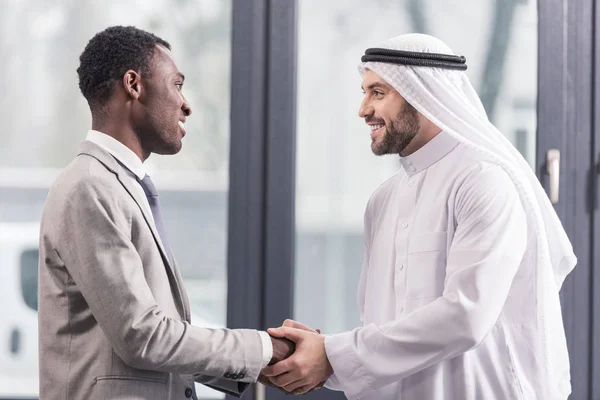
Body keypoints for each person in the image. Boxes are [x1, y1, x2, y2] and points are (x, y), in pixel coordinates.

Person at [262, 33, 577, 400]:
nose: (363, 109)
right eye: (364, 92)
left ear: (423, 94)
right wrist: (322, 356)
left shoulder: (483, 182)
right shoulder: (382, 201)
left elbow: (465, 318)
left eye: (378, 93)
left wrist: (332, 355)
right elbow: (385, 332)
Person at [37, 25, 293, 400]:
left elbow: (150, 342)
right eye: (176, 85)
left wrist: (255, 365)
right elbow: (142, 336)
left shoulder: (120, 186)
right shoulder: (89, 187)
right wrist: (263, 348)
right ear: (134, 84)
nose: (185, 104)